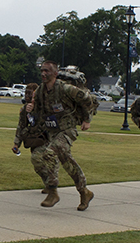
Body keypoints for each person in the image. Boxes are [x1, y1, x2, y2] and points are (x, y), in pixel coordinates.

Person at [24, 60, 95, 210]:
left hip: (67, 130)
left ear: (55, 73)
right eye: (42, 70)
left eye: (47, 71)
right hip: (52, 132)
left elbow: (88, 99)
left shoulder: (65, 89)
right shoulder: (41, 91)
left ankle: (52, 191)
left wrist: (86, 119)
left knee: (49, 154)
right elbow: (39, 112)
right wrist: (32, 108)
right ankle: (84, 192)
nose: (43, 73)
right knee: (67, 163)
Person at [12, 83, 42, 155]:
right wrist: (16, 144)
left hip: (46, 139)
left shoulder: (42, 106)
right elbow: (21, 126)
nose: (27, 96)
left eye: (30, 93)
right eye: (26, 93)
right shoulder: (24, 109)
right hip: (35, 140)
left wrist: (35, 108)